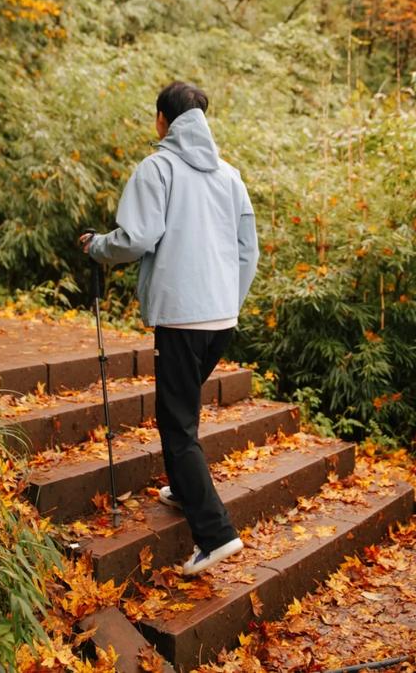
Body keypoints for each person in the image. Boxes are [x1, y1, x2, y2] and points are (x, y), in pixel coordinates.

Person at [80, 81, 259, 575]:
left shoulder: (157, 168)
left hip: (181, 320)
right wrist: (228, 301)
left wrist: (97, 246)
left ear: (163, 119)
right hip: (221, 319)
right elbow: (250, 253)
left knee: (176, 425)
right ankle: (183, 488)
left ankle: (216, 533)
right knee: (183, 408)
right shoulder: (230, 176)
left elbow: (136, 237)